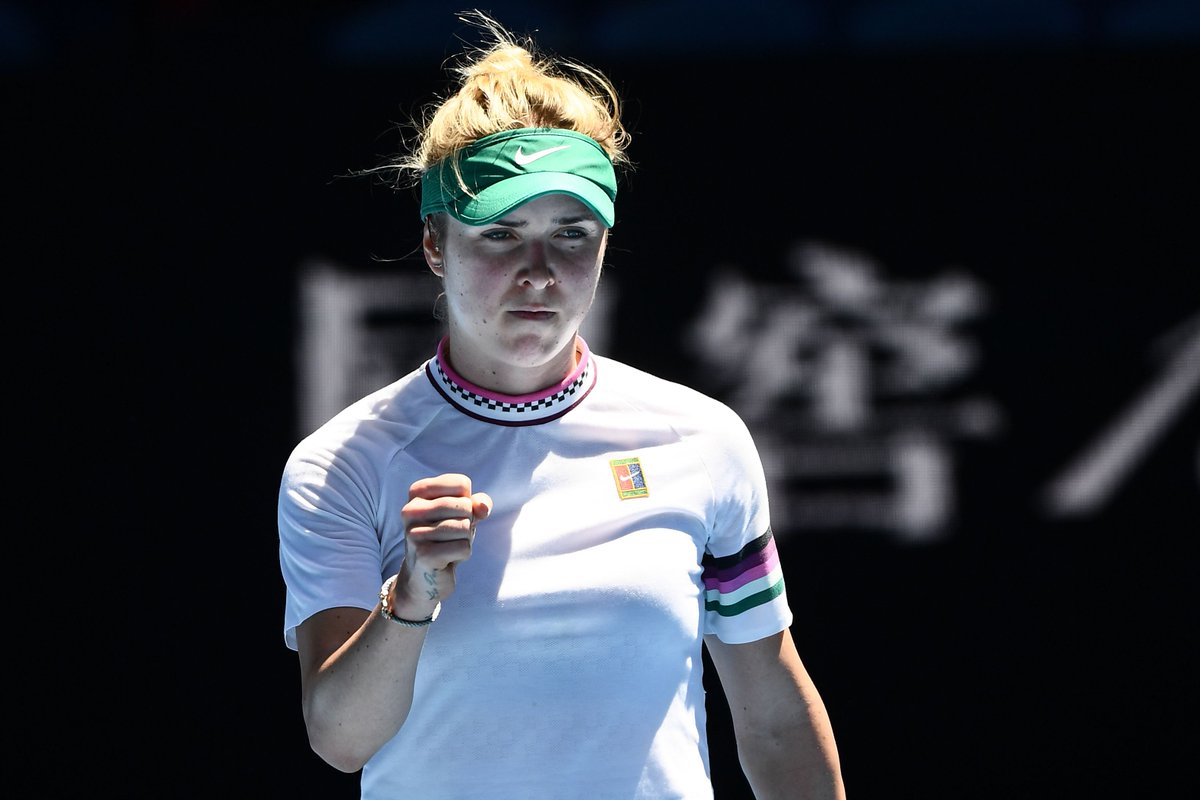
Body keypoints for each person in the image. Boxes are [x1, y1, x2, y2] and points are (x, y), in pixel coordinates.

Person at [278, 10, 845, 799]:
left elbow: (776, 723)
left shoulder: (704, 441)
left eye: (571, 234)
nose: (539, 270)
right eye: (501, 234)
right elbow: (340, 739)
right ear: (436, 243)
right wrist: (410, 599)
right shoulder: (341, 465)